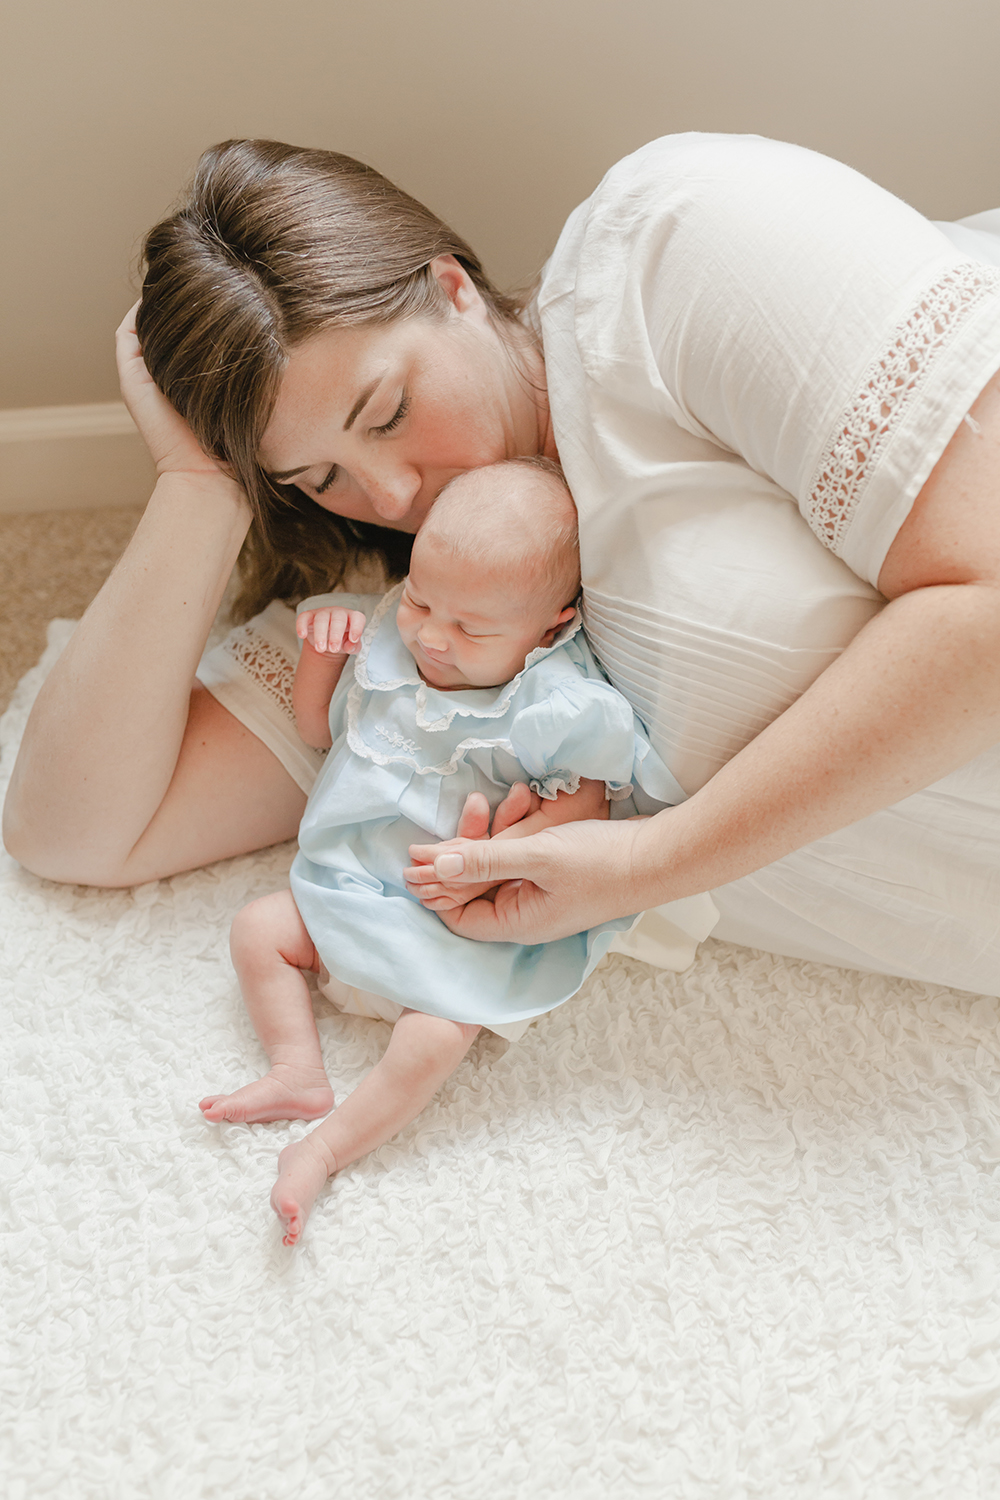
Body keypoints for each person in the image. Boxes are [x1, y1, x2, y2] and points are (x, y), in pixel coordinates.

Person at [4, 134, 1000, 997]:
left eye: (386, 413)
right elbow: (75, 833)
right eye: (317, 476)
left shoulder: (664, 247)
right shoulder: (413, 630)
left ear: (452, 289)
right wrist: (198, 485)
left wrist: (646, 862)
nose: (388, 496)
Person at [202, 458, 681, 1245]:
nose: (430, 635)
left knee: (432, 1040)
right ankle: (296, 1069)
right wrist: (323, 662)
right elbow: (321, 736)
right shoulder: (394, 638)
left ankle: (323, 1150)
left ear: (552, 627)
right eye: (422, 599)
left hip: (453, 921)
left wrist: (500, 857)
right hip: (353, 885)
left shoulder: (554, 708)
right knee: (260, 927)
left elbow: (583, 814)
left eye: (472, 629)